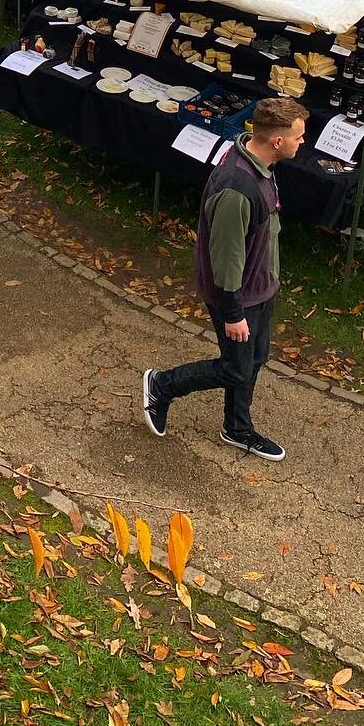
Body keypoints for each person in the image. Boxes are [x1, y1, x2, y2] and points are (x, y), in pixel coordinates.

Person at [141, 96, 308, 463]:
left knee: (255, 357)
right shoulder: (237, 189)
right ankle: (162, 386)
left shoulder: (260, 164)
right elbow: (227, 257)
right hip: (238, 297)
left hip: (260, 287)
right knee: (235, 367)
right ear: (277, 141)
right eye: (298, 137)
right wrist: (233, 312)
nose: (302, 143)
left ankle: (236, 428)